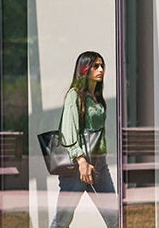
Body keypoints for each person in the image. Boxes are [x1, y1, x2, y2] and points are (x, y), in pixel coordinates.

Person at [50, 51, 118, 228]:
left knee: (115, 217)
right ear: (85, 69)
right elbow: (68, 130)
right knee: (62, 220)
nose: (101, 69)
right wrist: (81, 160)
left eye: (102, 65)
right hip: (77, 165)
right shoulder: (75, 95)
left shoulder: (96, 97)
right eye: (96, 66)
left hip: (99, 163)